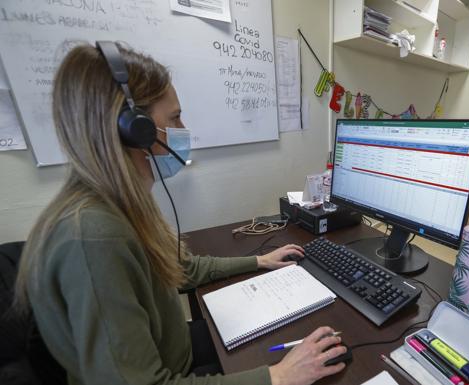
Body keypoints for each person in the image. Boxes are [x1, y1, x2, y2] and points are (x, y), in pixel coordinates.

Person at [14, 42, 346, 385]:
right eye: (173, 117)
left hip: (171, 352)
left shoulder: (116, 204)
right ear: (133, 129)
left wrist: (259, 262)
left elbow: (179, 269)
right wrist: (276, 377)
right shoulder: (94, 237)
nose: (182, 128)